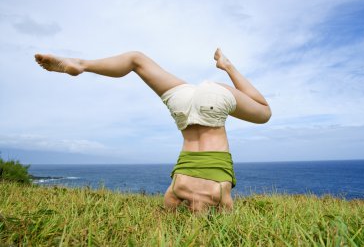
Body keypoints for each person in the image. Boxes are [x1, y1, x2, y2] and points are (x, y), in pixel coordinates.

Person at [34, 48, 271, 212]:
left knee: (137, 59)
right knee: (137, 60)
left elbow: (223, 218)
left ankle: (81, 64)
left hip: (201, 101)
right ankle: (228, 66)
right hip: (189, 106)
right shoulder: (175, 191)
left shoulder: (218, 198)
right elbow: (166, 215)